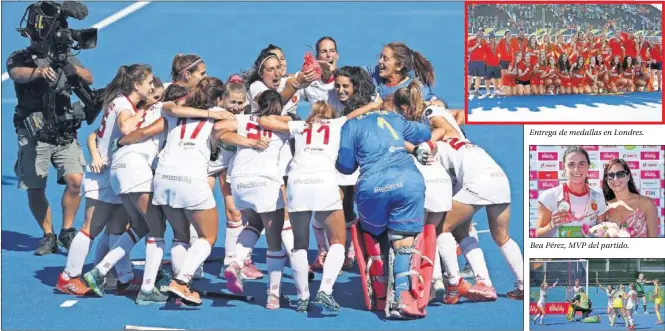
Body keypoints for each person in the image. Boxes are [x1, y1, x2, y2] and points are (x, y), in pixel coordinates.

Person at [336, 90, 434, 318]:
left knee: (372, 231)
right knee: (403, 238)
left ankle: (380, 289)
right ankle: (401, 297)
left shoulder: (350, 126)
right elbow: (425, 132)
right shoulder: (394, 118)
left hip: (372, 187)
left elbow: (345, 167)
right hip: (409, 182)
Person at [6, 37, 93, 255]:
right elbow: (16, 74)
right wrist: (39, 72)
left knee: (76, 181)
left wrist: (70, 67)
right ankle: (48, 235)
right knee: (36, 187)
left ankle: (66, 230)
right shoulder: (20, 57)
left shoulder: (66, 57)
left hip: (64, 131)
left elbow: (88, 78)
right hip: (34, 132)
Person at [536, 146, 607, 238]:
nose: (576, 169)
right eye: (571, 164)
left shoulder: (599, 196)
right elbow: (537, 236)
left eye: (582, 164)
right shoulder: (549, 196)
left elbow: (603, 233)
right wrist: (552, 225)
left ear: (588, 166)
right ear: (564, 168)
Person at [603, 160, 660, 237]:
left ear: (628, 176)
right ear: (606, 180)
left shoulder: (647, 203)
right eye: (611, 175)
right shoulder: (604, 207)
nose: (615, 179)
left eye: (620, 174)